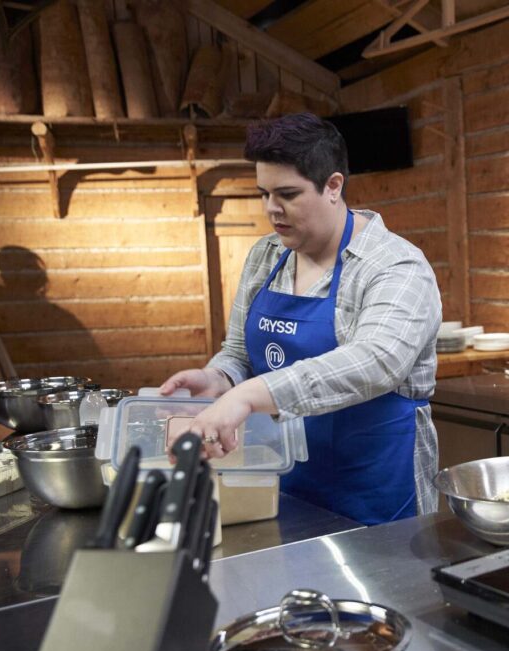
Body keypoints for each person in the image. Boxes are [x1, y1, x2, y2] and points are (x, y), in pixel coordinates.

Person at [160, 113, 442, 526]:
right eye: (264, 193)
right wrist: (219, 379)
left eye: (288, 194)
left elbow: (376, 361)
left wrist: (246, 397)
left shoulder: (394, 265)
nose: (272, 209)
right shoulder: (266, 256)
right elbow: (240, 352)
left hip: (376, 492)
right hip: (283, 486)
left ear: (333, 185)